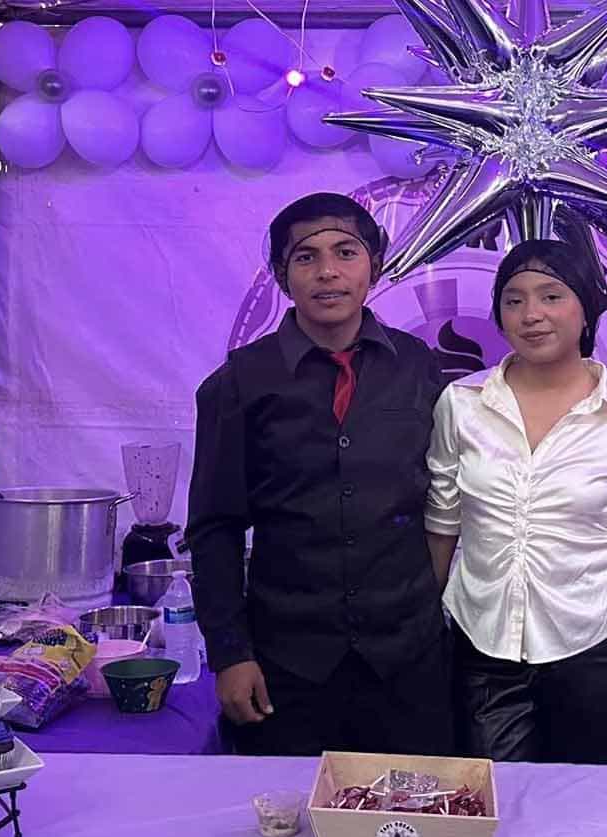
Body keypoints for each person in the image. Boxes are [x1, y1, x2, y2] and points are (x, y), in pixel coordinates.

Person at [187, 192, 452, 756]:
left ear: (374, 265)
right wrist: (231, 654)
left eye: (345, 252)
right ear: (281, 275)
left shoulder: (419, 368)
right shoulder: (239, 383)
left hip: (409, 662)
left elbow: (447, 506)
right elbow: (215, 528)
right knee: (285, 811)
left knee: (414, 806)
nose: (327, 272)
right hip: (287, 665)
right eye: (306, 257)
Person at [426, 240, 607, 766]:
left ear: (586, 308)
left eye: (551, 296)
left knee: (583, 806)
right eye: (513, 300)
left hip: (593, 650)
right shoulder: (462, 405)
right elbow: (442, 525)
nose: (531, 314)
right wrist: (422, 638)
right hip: (482, 647)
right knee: (494, 803)